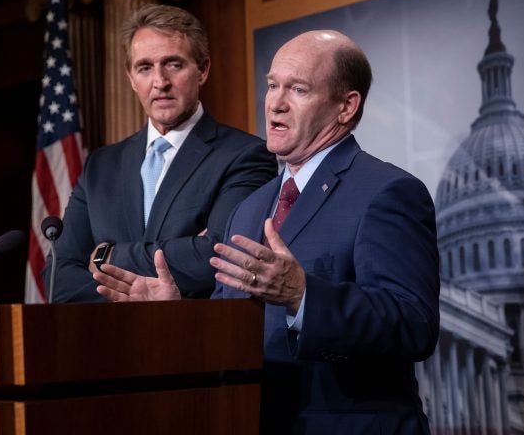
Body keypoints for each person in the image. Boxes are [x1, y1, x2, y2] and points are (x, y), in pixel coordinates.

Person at [94, 30, 440, 433]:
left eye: (298, 89)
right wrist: (177, 316)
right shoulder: (251, 207)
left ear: (346, 106)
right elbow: (233, 325)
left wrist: (304, 295)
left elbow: (413, 325)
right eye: (273, 85)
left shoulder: (387, 192)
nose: (275, 102)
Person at [43, 4, 277, 302]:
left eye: (174, 64)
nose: (160, 82)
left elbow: (221, 259)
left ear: (202, 70)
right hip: (108, 341)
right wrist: (138, 292)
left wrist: (106, 256)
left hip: (195, 339)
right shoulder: (100, 166)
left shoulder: (245, 155)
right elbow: (58, 277)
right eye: (145, 67)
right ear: (131, 78)